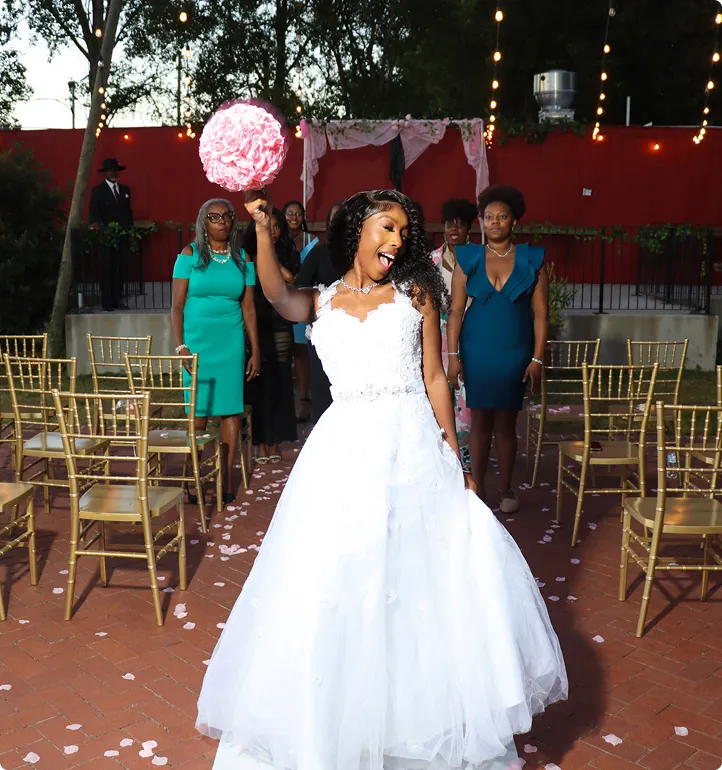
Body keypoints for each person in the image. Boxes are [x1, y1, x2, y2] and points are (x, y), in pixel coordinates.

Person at [197, 188, 567, 770]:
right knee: (342, 576)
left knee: (416, 576)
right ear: (359, 231)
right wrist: (266, 234)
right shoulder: (319, 301)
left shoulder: (417, 294)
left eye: (403, 233)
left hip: (413, 444)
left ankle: (415, 717)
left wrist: (458, 458)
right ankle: (341, 714)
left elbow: (436, 379)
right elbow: (272, 292)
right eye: (386, 228)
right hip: (343, 451)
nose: (397, 241)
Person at [446, 185, 549, 514]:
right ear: (481, 222)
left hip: (516, 351)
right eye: (489, 217)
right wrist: (452, 357)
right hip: (477, 350)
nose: (495, 222)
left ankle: (506, 488)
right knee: (479, 424)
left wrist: (537, 358)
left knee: (506, 424)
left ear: (514, 222)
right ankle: (477, 487)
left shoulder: (533, 259)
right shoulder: (468, 257)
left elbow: (541, 314)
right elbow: (455, 311)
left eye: (502, 217)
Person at [171, 198, 260, 504]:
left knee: (230, 410)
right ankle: (193, 477)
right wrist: (181, 346)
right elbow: (177, 306)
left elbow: (248, 308)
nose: (222, 222)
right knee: (197, 412)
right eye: (214, 217)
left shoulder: (243, 258)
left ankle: (225, 477)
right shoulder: (189, 254)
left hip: (230, 343)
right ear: (203, 222)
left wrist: (255, 350)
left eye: (227, 216)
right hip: (197, 343)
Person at [243, 209, 299, 463]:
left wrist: (269, 256)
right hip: (254, 324)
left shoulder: (289, 254)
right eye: (268, 226)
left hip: (279, 325)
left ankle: (275, 440)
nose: (273, 231)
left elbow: (290, 278)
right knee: (257, 384)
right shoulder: (244, 257)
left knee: (279, 381)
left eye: (277, 227)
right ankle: (259, 442)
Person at [431, 198, 477, 469]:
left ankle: (466, 463)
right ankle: (442, 461)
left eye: (459, 225)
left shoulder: (479, 260)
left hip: (469, 338)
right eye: (449, 224)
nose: (453, 229)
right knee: (438, 401)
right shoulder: (431, 261)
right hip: (436, 341)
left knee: (467, 404)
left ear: (468, 229)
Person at [294, 201, 343, 422]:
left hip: (359, 334)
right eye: (335, 220)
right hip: (324, 334)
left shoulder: (365, 256)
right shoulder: (318, 254)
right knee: (323, 392)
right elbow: (301, 287)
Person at [89, 157, 134, 311]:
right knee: (106, 269)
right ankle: (107, 302)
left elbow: (128, 213)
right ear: (105, 173)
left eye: (115, 170)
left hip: (121, 237)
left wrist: (129, 230)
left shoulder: (125, 190)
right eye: (110, 171)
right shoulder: (98, 191)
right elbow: (94, 213)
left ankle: (118, 300)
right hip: (106, 238)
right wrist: (100, 229)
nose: (113, 173)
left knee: (120, 269)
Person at [283, 200, 314, 421]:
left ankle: (304, 400)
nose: (294, 217)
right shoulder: (278, 239)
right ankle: (284, 403)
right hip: (282, 299)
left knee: (302, 352)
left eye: (298, 214)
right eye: (290, 213)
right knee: (285, 353)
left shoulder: (312, 241)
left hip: (302, 298)